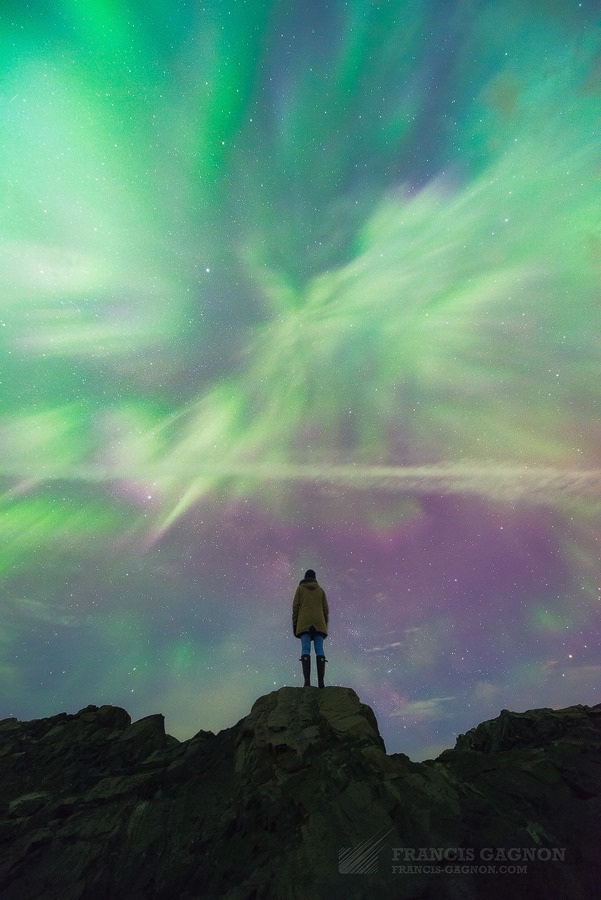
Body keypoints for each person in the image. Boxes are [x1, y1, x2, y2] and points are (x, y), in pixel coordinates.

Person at [292, 569, 329, 688]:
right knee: (319, 649)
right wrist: (324, 626)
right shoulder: (321, 591)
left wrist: (295, 625)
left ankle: (307, 681)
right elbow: (325, 611)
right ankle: (321, 682)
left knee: (305, 648)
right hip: (319, 622)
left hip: (304, 622)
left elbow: (295, 608)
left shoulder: (300, 589)